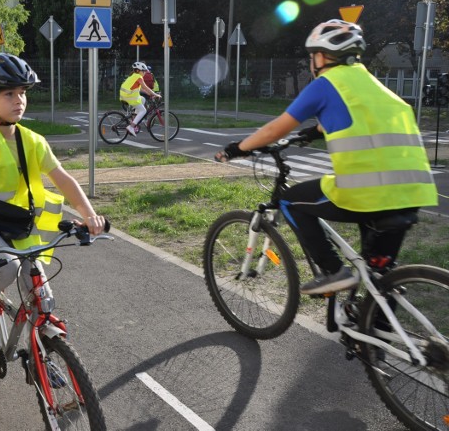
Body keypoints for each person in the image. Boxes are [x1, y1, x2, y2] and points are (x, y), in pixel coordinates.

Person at [215, 19, 437, 295]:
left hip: (366, 192)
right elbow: (357, 118)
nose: (311, 62)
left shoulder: (325, 84)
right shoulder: (375, 86)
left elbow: (276, 128)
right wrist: (314, 132)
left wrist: (239, 148)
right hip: (412, 193)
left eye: (312, 56)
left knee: (289, 201)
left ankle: (333, 272)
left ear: (321, 56)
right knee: (378, 276)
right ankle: (371, 331)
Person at [0, 53, 106, 349]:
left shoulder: (32, 140)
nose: (19, 100)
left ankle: (44, 355)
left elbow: (64, 179)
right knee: (5, 268)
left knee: (39, 291)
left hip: (16, 224)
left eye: (22, 93)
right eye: (9, 93)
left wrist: (90, 215)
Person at [119, 61, 160, 136]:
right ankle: (131, 127)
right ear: (139, 71)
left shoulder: (133, 76)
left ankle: (134, 118)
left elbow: (141, 89)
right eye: (144, 71)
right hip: (129, 97)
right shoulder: (138, 77)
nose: (145, 73)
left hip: (125, 96)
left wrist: (149, 94)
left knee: (143, 99)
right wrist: (155, 94)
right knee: (143, 111)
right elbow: (145, 87)